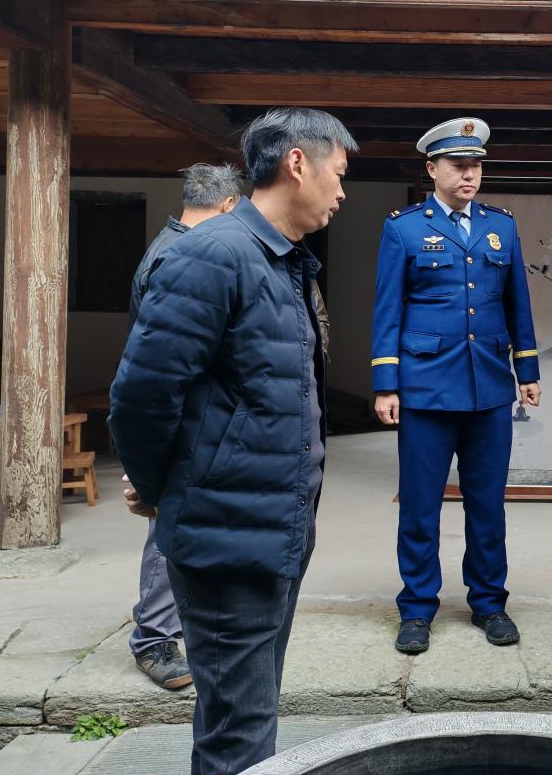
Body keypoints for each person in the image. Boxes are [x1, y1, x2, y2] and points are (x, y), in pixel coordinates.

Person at [109, 108, 356, 774]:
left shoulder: (283, 261)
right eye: (337, 173)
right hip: (226, 536)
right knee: (237, 733)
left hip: (272, 529)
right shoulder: (213, 254)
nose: (342, 191)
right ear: (297, 163)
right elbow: (142, 395)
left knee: (251, 711)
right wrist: (159, 488)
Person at [371, 117, 541, 655]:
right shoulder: (403, 229)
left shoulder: (501, 227)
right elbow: (387, 309)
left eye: (476, 166)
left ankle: (489, 603)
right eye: (458, 166)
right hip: (424, 389)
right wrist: (386, 384)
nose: (469, 175)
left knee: (487, 505)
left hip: (488, 386)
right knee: (420, 507)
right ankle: (417, 608)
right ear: (432, 169)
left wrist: (527, 370)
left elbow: (517, 303)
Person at [124, 162, 242, 691]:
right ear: (229, 205)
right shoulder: (181, 255)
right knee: (166, 528)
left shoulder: (173, 244)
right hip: (180, 417)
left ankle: (186, 626)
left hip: (194, 415)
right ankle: (153, 639)